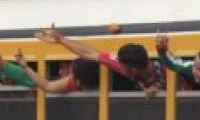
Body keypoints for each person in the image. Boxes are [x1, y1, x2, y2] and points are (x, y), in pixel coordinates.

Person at [35, 27, 163, 97]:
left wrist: (158, 92)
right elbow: (90, 53)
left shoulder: (165, 71)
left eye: (122, 66)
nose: (119, 67)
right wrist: (61, 40)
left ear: (133, 69)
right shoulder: (125, 65)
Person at [0, 50, 99, 92]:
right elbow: (44, 84)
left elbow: (45, 85)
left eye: (64, 68)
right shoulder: (71, 82)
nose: (59, 72)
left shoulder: (74, 82)